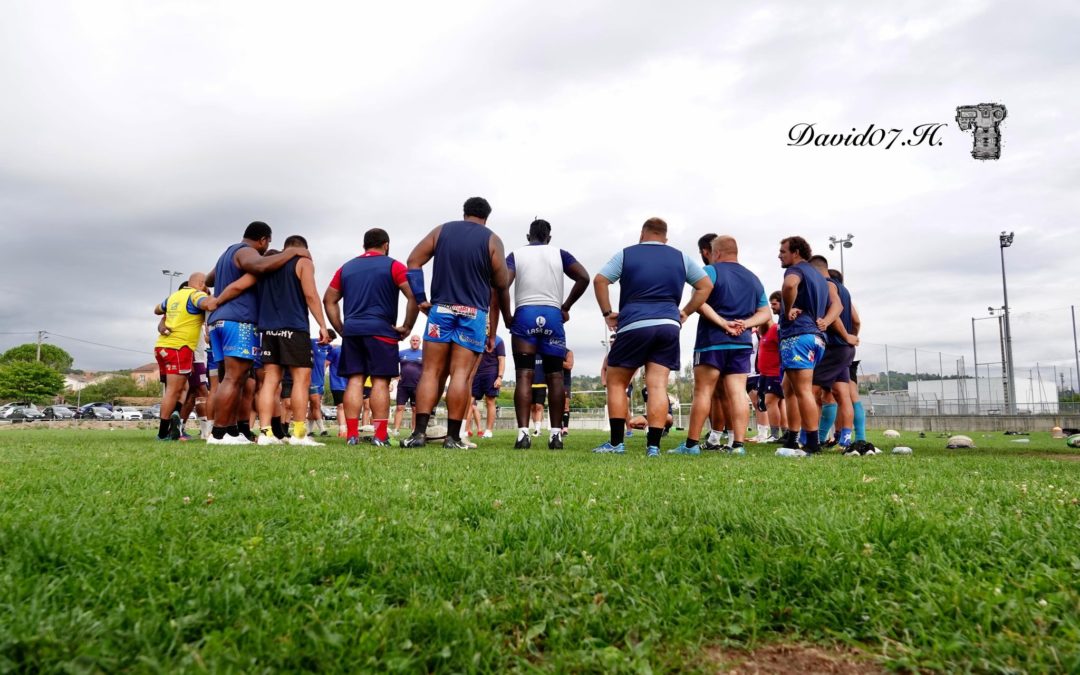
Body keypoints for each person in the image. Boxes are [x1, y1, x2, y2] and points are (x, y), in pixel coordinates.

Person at [592, 217, 712, 457]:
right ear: (665, 238)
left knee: (616, 381)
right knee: (657, 385)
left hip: (634, 321)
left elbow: (600, 280)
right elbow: (705, 285)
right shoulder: (680, 257)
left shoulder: (627, 254)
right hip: (668, 324)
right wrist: (685, 312)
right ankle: (654, 447)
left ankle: (616, 443)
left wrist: (607, 313)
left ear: (642, 234)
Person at [401, 197, 512, 449]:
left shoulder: (442, 231)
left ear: (464, 213)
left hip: (441, 309)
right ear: (486, 217)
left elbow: (413, 261)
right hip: (473, 313)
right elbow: (502, 282)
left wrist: (420, 299)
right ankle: (452, 438)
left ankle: (417, 434)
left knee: (431, 371)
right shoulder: (492, 239)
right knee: (461, 374)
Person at [205, 221, 311, 444]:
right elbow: (260, 266)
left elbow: (209, 280)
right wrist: (291, 252)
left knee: (233, 379)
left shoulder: (227, 253)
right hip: (238, 320)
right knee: (234, 378)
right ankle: (219, 434)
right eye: (267, 244)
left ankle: (231, 430)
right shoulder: (247, 252)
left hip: (220, 322)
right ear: (263, 240)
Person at [672, 235, 770, 455]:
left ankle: (691, 445)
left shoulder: (710, 271)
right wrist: (745, 324)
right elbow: (765, 313)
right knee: (737, 393)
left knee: (703, 392)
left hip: (712, 342)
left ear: (715, 253)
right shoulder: (753, 278)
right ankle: (738, 446)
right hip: (741, 344)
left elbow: (700, 301)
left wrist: (723, 323)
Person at [324, 227, 418, 446]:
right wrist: (406, 326)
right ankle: (380, 435)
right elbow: (412, 295)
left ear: (364, 245)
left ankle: (351, 436)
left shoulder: (346, 268)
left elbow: (329, 299)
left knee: (354, 381)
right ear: (386, 245)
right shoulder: (394, 265)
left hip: (353, 331)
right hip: (381, 331)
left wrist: (341, 329)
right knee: (380, 382)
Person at [506, 218, 590, 450]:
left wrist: (507, 315)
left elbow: (502, 284)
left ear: (528, 237)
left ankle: (523, 434)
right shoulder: (560, 254)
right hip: (552, 314)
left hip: (524, 313)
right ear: (549, 238)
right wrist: (566, 307)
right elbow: (584, 277)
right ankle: (556, 435)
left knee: (524, 375)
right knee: (555, 377)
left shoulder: (516, 255)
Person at [252, 236, 331, 446]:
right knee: (301, 380)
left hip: (268, 330)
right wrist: (322, 325)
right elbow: (311, 295)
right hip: (294, 328)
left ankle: (265, 434)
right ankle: (298, 434)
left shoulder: (269, 266)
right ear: (304, 249)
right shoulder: (303, 262)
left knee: (270, 382)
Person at [775, 236, 838, 456]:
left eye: (783, 251)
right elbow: (836, 305)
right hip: (817, 338)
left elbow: (789, 285)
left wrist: (789, 307)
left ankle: (812, 443)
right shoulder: (821, 278)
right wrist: (826, 322)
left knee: (802, 390)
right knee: (789, 388)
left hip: (798, 335)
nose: (779, 255)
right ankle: (792, 438)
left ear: (796, 253)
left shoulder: (796, 270)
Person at [153, 273, 213, 441]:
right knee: (174, 390)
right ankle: (163, 433)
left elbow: (157, 309)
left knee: (184, 388)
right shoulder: (196, 294)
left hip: (162, 347)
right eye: (206, 285)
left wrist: (168, 321)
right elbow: (208, 303)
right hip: (179, 347)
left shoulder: (173, 297)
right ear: (201, 284)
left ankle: (175, 422)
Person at [808, 261, 860, 450]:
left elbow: (834, 311)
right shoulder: (844, 289)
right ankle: (845, 439)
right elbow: (856, 319)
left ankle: (809, 439)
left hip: (833, 347)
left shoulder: (826, 285)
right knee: (842, 394)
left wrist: (845, 336)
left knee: (811, 391)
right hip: (845, 349)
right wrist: (853, 336)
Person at [756, 292, 786, 442]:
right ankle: (784, 433)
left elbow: (782, 348)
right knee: (777, 403)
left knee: (771, 402)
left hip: (775, 373)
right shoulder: (765, 332)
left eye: (774, 304)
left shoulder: (775, 329)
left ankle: (775, 434)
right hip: (765, 373)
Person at [470, 333, 505, 438]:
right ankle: (465, 430)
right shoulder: (476, 337)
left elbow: (501, 359)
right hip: (476, 373)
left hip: (491, 373)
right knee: (470, 401)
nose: (487, 326)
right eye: (486, 323)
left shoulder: (498, 340)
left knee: (490, 401)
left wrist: (500, 377)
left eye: (490, 324)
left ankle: (488, 431)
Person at [392, 335, 422, 434]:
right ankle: (396, 430)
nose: (415, 342)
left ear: (420, 342)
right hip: (403, 385)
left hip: (417, 386)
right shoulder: (402, 353)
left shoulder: (424, 354)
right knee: (399, 408)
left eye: (417, 340)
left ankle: (413, 431)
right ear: (410, 341)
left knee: (415, 409)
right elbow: (390, 363)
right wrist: (395, 376)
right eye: (413, 340)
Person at [324, 330, 347, 437]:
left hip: (352, 385)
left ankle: (351, 428)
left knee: (351, 407)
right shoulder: (336, 351)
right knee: (341, 406)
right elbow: (325, 364)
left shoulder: (357, 352)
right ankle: (342, 430)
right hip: (337, 384)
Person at [307, 338, 331, 436]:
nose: (328, 342)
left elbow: (335, 347)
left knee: (313, 406)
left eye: (330, 341)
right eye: (328, 340)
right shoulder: (313, 342)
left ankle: (309, 431)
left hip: (321, 380)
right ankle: (322, 430)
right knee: (316, 405)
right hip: (313, 380)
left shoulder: (328, 347)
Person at [561, 349, 574, 435]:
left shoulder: (568, 352)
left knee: (565, 405)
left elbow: (569, 365)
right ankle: (558, 428)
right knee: (555, 406)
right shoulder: (550, 350)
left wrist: (556, 361)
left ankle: (565, 429)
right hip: (553, 381)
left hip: (565, 383)